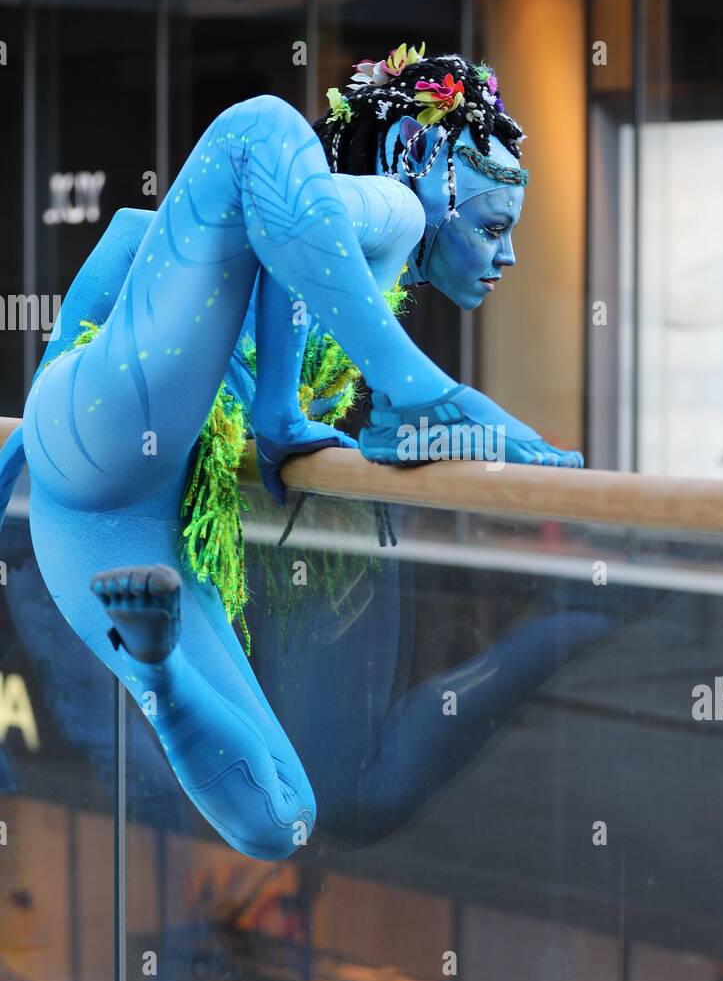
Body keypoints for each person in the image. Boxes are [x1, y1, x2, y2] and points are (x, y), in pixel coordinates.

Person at [0, 50, 587, 861]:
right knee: (261, 127)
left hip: (100, 511)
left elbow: (132, 231)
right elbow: (246, 169)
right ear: (413, 152)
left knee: (283, 818)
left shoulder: (325, 244)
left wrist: (51, 388)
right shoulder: (397, 209)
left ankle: (162, 668)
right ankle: (427, 392)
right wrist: (280, 410)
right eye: (492, 224)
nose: (509, 256)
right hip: (112, 468)